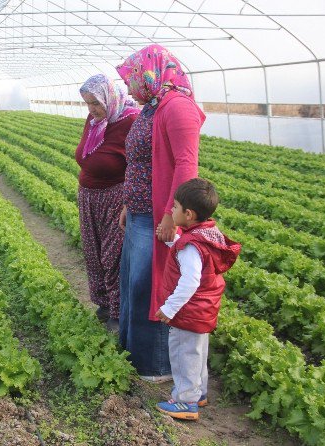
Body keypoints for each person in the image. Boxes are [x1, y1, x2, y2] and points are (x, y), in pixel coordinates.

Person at [116, 44, 206, 382]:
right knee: (132, 284)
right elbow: (139, 162)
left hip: (158, 217)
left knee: (153, 285)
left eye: (130, 79)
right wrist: (128, 202)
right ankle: (131, 351)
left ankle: (155, 365)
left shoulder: (178, 106)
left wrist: (171, 215)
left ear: (149, 73)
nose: (127, 87)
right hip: (140, 212)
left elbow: (187, 165)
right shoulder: (152, 106)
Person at [154, 178, 241, 420]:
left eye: (175, 206)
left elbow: (190, 280)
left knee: (184, 356)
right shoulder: (207, 234)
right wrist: (173, 241)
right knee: (197, 354)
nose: (171, 210)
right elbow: (198, 258)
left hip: (188, 311)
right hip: (204, 309)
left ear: (188, 214)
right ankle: (199, 393)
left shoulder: (192, 246)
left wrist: (170, 308)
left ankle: (185, 402)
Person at [75, 74, 139, 331]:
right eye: (87, 103)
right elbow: (86, 153)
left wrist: (129, 200)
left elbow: (137, 164)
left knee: (113, 255)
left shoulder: (130, 120)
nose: (91, 109)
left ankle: (117, 310)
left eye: (96, 103)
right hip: (89, 195)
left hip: (115, 196)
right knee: (93, 252)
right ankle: (102, 302)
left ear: (110, 98)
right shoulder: (94, 121)